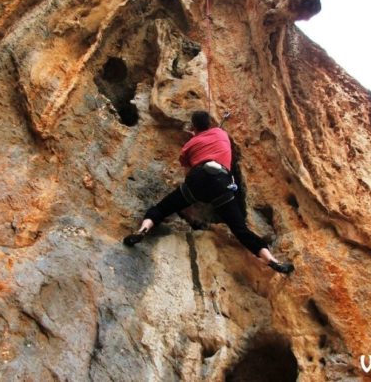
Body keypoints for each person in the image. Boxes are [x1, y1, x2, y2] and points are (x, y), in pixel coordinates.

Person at [123, 110, 294, 274]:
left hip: (197, 180)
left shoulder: (189, 146)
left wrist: (191, 185)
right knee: (240, 229)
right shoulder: (221, 134)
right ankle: (271, 260)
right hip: (221, 184)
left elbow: (187, 172)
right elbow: (216, 133)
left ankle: (143, 230)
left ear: (193, 126)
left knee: (162, 208)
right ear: (209, 123)